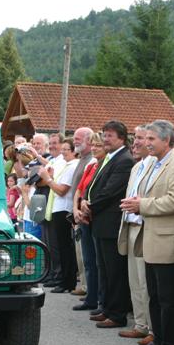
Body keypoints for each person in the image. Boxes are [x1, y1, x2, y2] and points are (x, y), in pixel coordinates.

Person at [121, 120, 174, 345]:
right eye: (146, 138)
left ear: (167, 140)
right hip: (151, 236)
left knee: (168, 298)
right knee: (154, 294)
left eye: (152, 139)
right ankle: (158, 339)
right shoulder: (152, 163)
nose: (147, 143)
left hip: (168, 240)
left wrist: (142, 205)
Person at [80, 120, 134, 329]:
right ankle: (107, 308)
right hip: (100, 222)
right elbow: (94, 185)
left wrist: (89, 207)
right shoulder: (110, 158)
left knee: (114, 272)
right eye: (104, 134)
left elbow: (111, 191)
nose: (105, 139)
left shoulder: (124, 160)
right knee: (104, 269)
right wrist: (85, 200)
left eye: (110, 135)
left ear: (121, 137)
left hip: (110, 223)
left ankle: (117, 313)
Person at [117, 126, 154, 340]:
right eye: (137, 138)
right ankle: (140, 323)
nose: (137, 143)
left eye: (143, 138)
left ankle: (151, 327)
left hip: (144, 227)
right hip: (130, 225)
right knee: (134, 281)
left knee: (145, 282)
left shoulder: (156, 167)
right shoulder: (136, 167)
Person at [38, 137, 79, 293]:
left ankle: (66, 281)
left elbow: (61, 190)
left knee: (64, 248)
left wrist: (48, 179)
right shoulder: (66, 165)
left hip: (64, 208)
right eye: (63, 150)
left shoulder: (72, 165)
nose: (63, 153)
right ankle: (63, 280)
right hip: (57, 208)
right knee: (61, 247)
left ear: (74, 152)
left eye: (66, 150)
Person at [72, 132, 104, 313]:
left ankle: (97, 298)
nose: (95, 149)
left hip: (93, 217)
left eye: (98, 146)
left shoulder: (101, 165)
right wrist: (76, 210)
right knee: (88, 261)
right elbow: (80, 190)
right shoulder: (91, 166)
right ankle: (91, 297)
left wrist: (84, 207)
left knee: (96, 261)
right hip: (83, 216)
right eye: (93, 145)